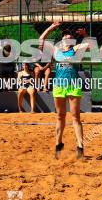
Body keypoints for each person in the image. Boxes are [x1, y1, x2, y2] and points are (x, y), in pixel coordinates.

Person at [39, 21, 91, 159]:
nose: (66, 36)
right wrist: (51, 28)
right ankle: (58, 143)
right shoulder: (56, 50)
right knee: (60, 116)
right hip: (59, 85)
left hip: (73, 84)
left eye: (69, 35)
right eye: (64, 35)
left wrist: (85, 35)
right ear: (61, 40)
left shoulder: (76, 48)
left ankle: (80, 146)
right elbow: (41, 41)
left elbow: (92, 46)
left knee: (75, 117)